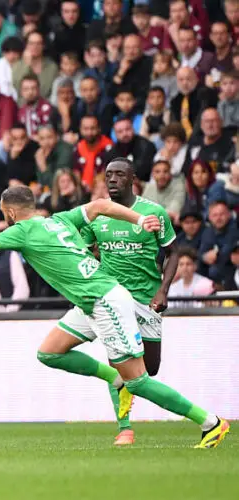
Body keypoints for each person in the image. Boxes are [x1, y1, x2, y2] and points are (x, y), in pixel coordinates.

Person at [0, 185, 229, 449]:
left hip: (104, 301)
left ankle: (209, 422)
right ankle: (113, 378)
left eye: (5, 215)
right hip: (91, 302)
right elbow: (101, 205)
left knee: (138, 380)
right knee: (50, 352)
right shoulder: (59, 219)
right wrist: (138, 219)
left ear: (11, 212)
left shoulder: (22, 231)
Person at [79, 159, 179, 446]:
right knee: (120, 363)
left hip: (146, 298)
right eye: (108, 174)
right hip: (112, 298)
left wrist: (163, 290)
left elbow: (173, 252)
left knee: (150, 368)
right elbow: (82, 250)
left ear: (133, 178)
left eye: (120, 174)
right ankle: (124, 427)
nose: (112, 179)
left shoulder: (153, 212)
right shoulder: (97, 214)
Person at [199, 200, 239, 285]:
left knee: (215, 270)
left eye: (222, 214)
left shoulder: (235, 228)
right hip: (214, 269)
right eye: (215, 215)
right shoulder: (208, 231)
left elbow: (229, 251)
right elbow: (201, 252)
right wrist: (204, 257)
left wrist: (216, 255)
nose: (218, 218)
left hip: (231, 269)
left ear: (229, 214)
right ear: (209, 217)